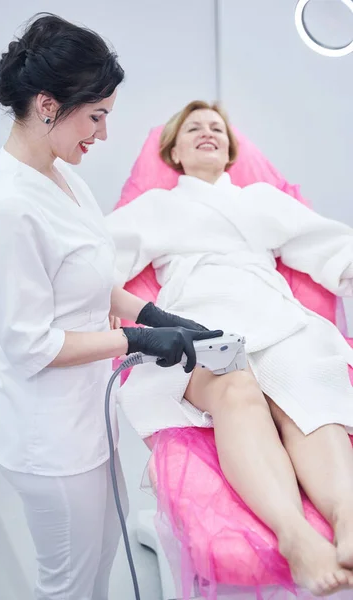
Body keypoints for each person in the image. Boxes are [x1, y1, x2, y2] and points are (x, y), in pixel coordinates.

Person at [0, 19, 221, 600]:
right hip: (47, 438)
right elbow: (31, 345)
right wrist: (134, 342)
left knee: (103, 559)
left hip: (85, 418)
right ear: (48, 104)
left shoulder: (61, 179)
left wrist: (155, 316)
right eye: (97, 116)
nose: (104, 134)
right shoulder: (10, 207)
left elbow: (92, 279)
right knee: (71, 585)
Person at [106, 100, 353, 597]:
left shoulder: (261, 199)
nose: (207, 132)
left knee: (308, 392)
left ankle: (347, 518)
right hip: (203, 316)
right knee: (236, 388)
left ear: (230, 149)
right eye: (193, 128)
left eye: (216, 128)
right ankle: (295, 535)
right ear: (173, 151)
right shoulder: (156, 206)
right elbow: (98, 258)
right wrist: (111, 303)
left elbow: (329, 245)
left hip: (274, 314)